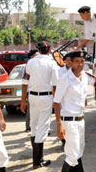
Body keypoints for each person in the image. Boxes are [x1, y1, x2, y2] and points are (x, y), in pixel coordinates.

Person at [20, 41, 58, 169]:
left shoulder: (31, 62)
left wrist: (22, 101)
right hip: (45, 96)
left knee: (34, 125)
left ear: (38, 50)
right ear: (49, 50)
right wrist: (56, 102)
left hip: (32, 96)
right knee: (43, 126)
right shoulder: (51, 63)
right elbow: (55, 85)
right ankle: (38, 160)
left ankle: (36, 159)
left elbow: (24, 82)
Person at [22, 49, 39, 132]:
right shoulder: (29, 65)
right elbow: (25, 82)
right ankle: (28, 127)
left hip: (41, 93)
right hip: (31, 92)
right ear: (31, 56)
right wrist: (23, 99)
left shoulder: (41, 65)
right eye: (35, 55)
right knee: (30, 111)